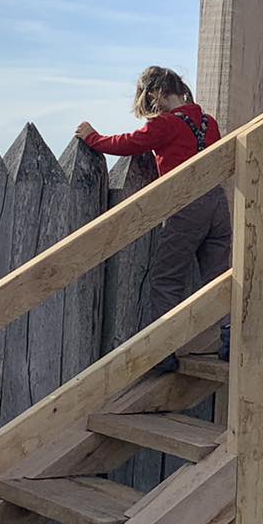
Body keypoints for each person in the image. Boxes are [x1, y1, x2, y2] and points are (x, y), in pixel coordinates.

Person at [77, 67, 229, 370]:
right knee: (219, 277)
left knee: (166, 279)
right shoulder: (208, 123)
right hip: (217, 203)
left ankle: (163, 351)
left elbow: (128, 143)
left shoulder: (166, 125)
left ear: (157, 93)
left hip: (186, 205)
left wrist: (92, 137)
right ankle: (229, 338)